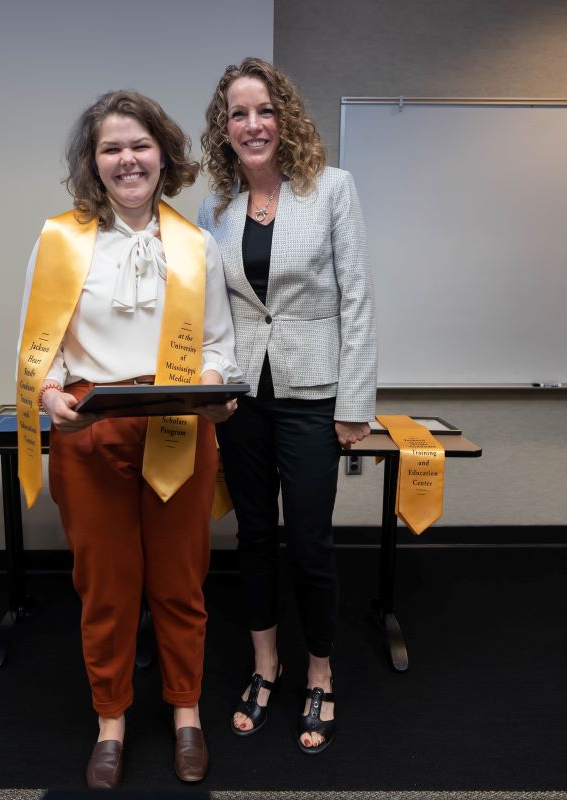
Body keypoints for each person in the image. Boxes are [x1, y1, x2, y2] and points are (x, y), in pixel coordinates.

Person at [16, 90, 239, 789]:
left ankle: (186, 715)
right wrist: (50, 398)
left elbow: (221, 347)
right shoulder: (59, 239)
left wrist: (213, 391)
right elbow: (38, 352)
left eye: (139, 145)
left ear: (163, 154)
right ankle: (110, 720)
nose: (127, 159)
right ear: (94, 162)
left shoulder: (195, 244)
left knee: (179, 584)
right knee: (105, 590)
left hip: (176, 425)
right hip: (91, 432)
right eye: (111, 148)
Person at [197, 58, 376, 755]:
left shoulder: (332, 190)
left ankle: (321, 671)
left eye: (263, 110)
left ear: (285, 118)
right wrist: (208, 389)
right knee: (254, 539)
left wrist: (354, 401)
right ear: (226, 129)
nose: (252, 124)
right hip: (242, 398)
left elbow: (357, 300)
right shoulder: (214, 209)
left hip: (313, 396)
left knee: (310, 542)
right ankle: (265, 667)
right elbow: (207, 309)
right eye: (238, 114)